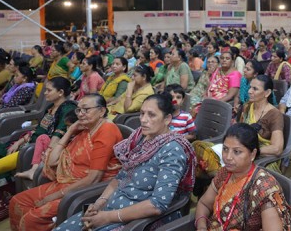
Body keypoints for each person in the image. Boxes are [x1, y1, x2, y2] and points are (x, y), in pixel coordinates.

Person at [56, 94, 196, 231]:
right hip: (111, 207)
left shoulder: (172, 151)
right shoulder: (141, 138)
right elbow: (121, 177)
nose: (143, 120)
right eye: (142, 113)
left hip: (136, 221)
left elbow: (157, 205)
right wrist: (99, 203)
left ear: (167, 119)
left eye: (151, 115)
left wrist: (108, 217)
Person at [9, 94, 123, 230]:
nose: (80, 114)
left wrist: (54, 196)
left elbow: (94, 178)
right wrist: (70, 131)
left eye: (86, 110)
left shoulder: (107, 130)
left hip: (85, 190)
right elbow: (52, 161)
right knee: (17, 201)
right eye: (78, 110)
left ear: (102, 111)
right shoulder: (85, 130)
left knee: (31, 219)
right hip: (67, 183)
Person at [0, 77, 77, 202]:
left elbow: (57, 136)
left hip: (33, 150)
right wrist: (20, 141)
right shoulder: (51, 107)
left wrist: (46, 153)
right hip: (26, 143)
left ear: (60, 92)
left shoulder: (67, 109)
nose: (45, 93)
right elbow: (38, 129)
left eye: (48, 90)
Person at [194, 123, 291, 231]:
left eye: (237, 152)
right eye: (225, 149)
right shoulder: (224, 173)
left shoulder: (264, 188)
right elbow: (204, 204)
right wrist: (201, 227)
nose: (228, 157)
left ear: (252, 154)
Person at [193, 75, 284, 176]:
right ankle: (218, 176)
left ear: (267, 93)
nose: (249, 91)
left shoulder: (275, 114)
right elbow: (236, 130)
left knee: (218, 163)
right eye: (250, 87)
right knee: (198, 147)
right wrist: (232, 148)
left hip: (258, 155)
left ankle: (220, 176)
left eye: (255, 89)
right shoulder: (247, 106)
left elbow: (277, 148)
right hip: (237, 148)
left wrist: (249, 151)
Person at [15, 110, 78, 180]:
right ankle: (34, 169)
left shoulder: (79, 140)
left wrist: (49, 156)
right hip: (53, 157)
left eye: (70, 126)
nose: (68, 129)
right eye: (67, 126)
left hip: (59, 165)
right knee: (43, 138)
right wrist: (47, 153)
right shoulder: (67, 135)